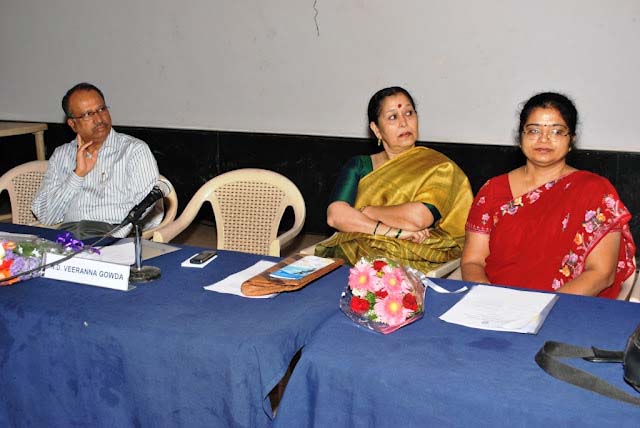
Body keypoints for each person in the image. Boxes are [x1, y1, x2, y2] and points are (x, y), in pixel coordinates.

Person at [462, 92, 636, 298]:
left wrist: (542, 307)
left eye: (557, 131)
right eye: (534, 130)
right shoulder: (493, 190)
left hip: (568, 305)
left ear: (571, 140)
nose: (543, 139)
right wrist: (489, 299)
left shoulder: (595, 191)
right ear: (520, 137)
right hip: (496, 303)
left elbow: (601, 273)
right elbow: (473, 261)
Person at [315, 86, 473, 272]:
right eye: (392, 117)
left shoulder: (440, 167)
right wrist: (397, 233)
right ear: (376, 129)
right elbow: (335, 216)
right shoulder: (360, 166)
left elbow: (418, 218)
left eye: (409, 113)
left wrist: (366, 211)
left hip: (419, 256)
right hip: (360, 251)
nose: (404, 122)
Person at [32, 82, 162, 239]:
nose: (99, 119)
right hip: (68, 236)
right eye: (88, 114)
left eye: (101, 109)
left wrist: (114, 238)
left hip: (112, 234)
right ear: (73, 124)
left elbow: (147, 208)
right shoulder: (62, 155)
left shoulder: (133, 150)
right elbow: (46, 216)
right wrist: (77, 175)